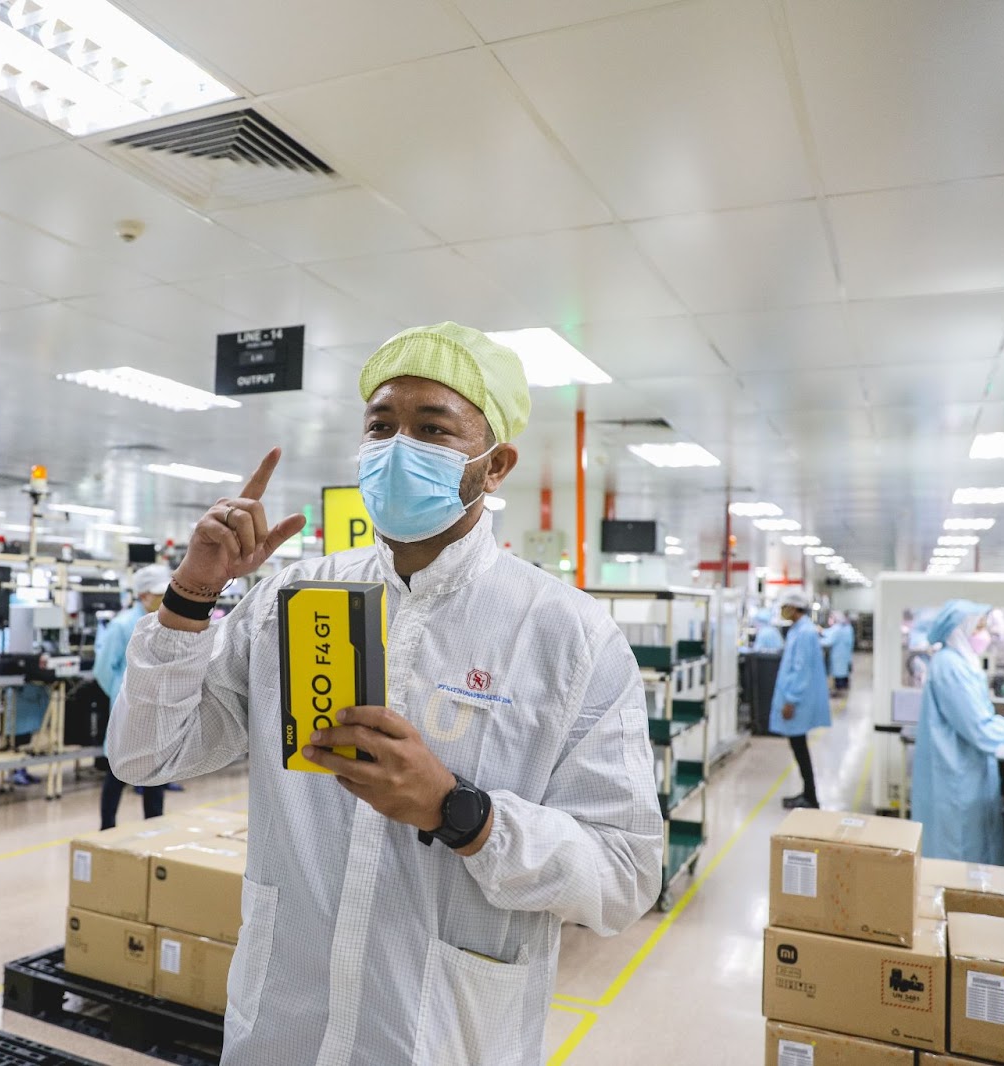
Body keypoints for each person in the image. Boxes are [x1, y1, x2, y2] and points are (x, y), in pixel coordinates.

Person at [107, 322, 663, 1065]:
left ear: (495, 465)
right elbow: (146, 756)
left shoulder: (569, 637)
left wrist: (461, 813)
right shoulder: (290, 601)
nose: (399, 448)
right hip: (281, 1031)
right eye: (381, 426)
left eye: (432, 429)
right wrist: (190, 598)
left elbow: (625, 874)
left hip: (443, 1039)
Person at [911, 600, 1004, 864]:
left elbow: (983, 717)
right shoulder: (950, 666)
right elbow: (977, 727)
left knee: (972, 846)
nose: (983, 634)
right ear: (960, 629)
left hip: (967, 769)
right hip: (954, 774)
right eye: (978, 627)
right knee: (957, 849)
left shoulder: (962, 662)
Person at [93, 563, 173, 829]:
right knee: (118, 769)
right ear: (143, 595)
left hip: (156, 707)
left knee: (155, 770)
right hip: (127, 710)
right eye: (159, 594)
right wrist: (121, 696)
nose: (164, 598)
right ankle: (107, 830)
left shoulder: (165, 622)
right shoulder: (122, 626)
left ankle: (154, 827)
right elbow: (103, 668)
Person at [770, 590, 831, 810]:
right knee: (798, 748)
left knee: (800, 749)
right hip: (795, 700)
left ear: (794, 608)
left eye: (784, 607)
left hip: (797, 702)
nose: (782, 611)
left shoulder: (804, 632)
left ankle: (811, 797)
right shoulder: (799, 630)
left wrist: (790, 700)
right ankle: (807, 793)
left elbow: (801, 670)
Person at [826, 613, 854, 694]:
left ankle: (840, 689)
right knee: (843, 671)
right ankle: (842, 687)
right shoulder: (846, 627)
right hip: (844, 654)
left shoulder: (838, 628)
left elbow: (829, 640)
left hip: (839, 655)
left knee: (839, 673)